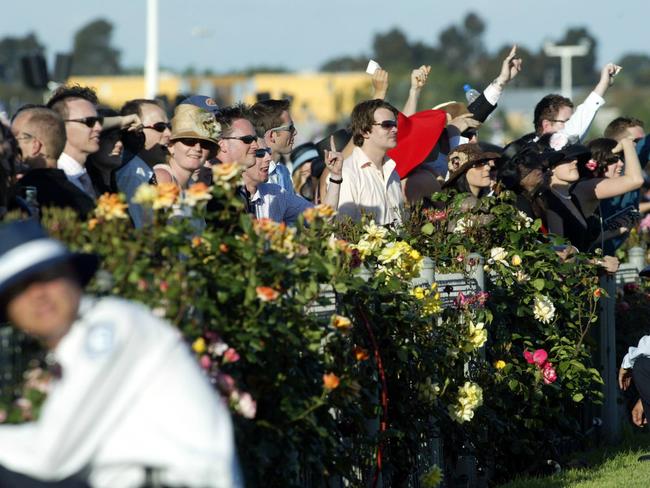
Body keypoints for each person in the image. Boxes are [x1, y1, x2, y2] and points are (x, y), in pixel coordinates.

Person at [0, 219, 241, 487]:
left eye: (45, 278)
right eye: (19, 290)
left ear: (72, 276)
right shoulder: (78, 340)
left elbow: (49, 455)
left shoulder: (110, 325)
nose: (37, 296)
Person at [10, 107, 95, 218]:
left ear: (35, 146)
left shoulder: (18, 199)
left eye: (14, 139)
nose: (10, 145)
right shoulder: (85, 202)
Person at [241, 137, 342, 224]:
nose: (268, 158)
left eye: (268, 151)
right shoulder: (228, 195)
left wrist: (335, 176)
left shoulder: (277, 193)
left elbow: (322, 218)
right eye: (260, 153)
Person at [337, 99, 403, 225]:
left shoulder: (392, 171)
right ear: (365, 131)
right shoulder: (347, 173)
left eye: (395, 124)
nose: (395, 129)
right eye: (387, 125)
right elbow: (343, 231)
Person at [532, 63, 621, 142]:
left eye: (573, 119)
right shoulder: (531, 156)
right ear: (546, 125)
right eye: (568, 122)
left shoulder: (568, 146)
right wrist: (604, 83)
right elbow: (584, 116)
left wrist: (604, 83)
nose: (574, 124)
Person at [46, 85, 104, 200]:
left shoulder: (90, 177)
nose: (99, 128)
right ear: (60, 126)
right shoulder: (55, 182)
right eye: (89, 121)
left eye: (99, 121)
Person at [153, 104, 220, 190]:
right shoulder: (162, 177)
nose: (198, 148)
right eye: (189, 141)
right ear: (171, 146)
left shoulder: (192, 186)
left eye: (205, 143)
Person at [250, 99, 295, 193]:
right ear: (271, 136)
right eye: (290, 128)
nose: (295, 132)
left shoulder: (283, 172)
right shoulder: (253, 176)